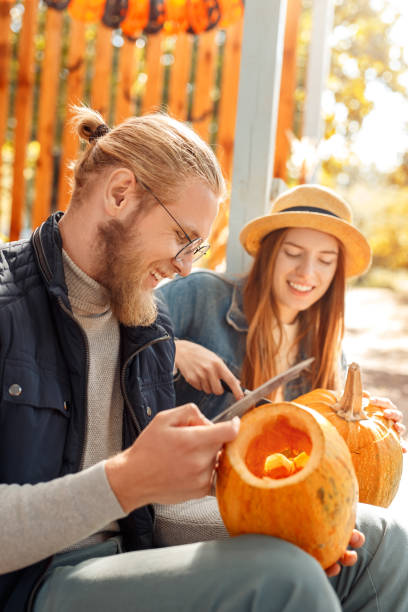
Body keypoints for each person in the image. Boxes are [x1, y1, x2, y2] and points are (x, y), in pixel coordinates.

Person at [0, 108, 407, 612]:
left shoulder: (146, 323)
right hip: (35, 583)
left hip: (132, 556)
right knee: (285, 577)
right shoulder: (7, 304)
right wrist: (126, 480)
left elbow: (159, 516)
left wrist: (297, 522)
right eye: (182, 238)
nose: (186, 265)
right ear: (119, 194)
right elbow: (126, 490)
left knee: (381, 538)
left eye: (198, 246)